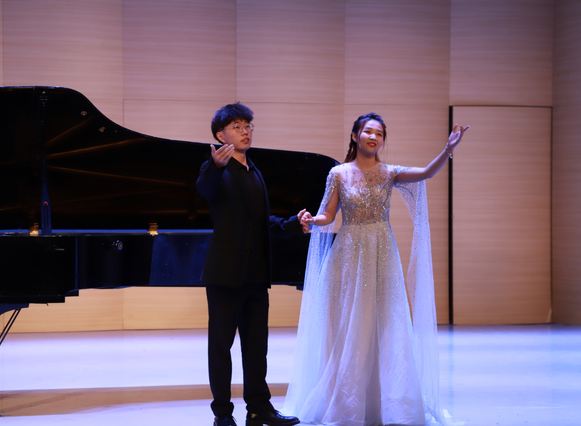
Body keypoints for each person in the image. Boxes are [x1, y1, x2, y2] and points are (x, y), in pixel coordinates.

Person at [283, 113, 469, 426]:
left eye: (379, 133)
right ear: (355, 135)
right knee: (348, 322)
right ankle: (346, 402)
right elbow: (328, 214)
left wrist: (448, 149)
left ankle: (381, 402)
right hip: (348, 252)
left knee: (384, 321)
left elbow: (426, 172)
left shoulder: (389, 172)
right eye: (368, 131)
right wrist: (313, 221)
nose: (373, 137)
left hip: (382, 252)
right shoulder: (338, 174)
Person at [196, 103, 304, 426]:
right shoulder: (216, 169)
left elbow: (261, 221)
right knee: (221, 347)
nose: (246, 131)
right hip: (225, 274)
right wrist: (215, 166)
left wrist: (292, 224)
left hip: (256, 275)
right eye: (238, 126)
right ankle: (222, 414)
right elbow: (204, 189)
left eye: (248, 126)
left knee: (257, 347)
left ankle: (259, 408)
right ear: (221, 135)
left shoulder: (254, 171)